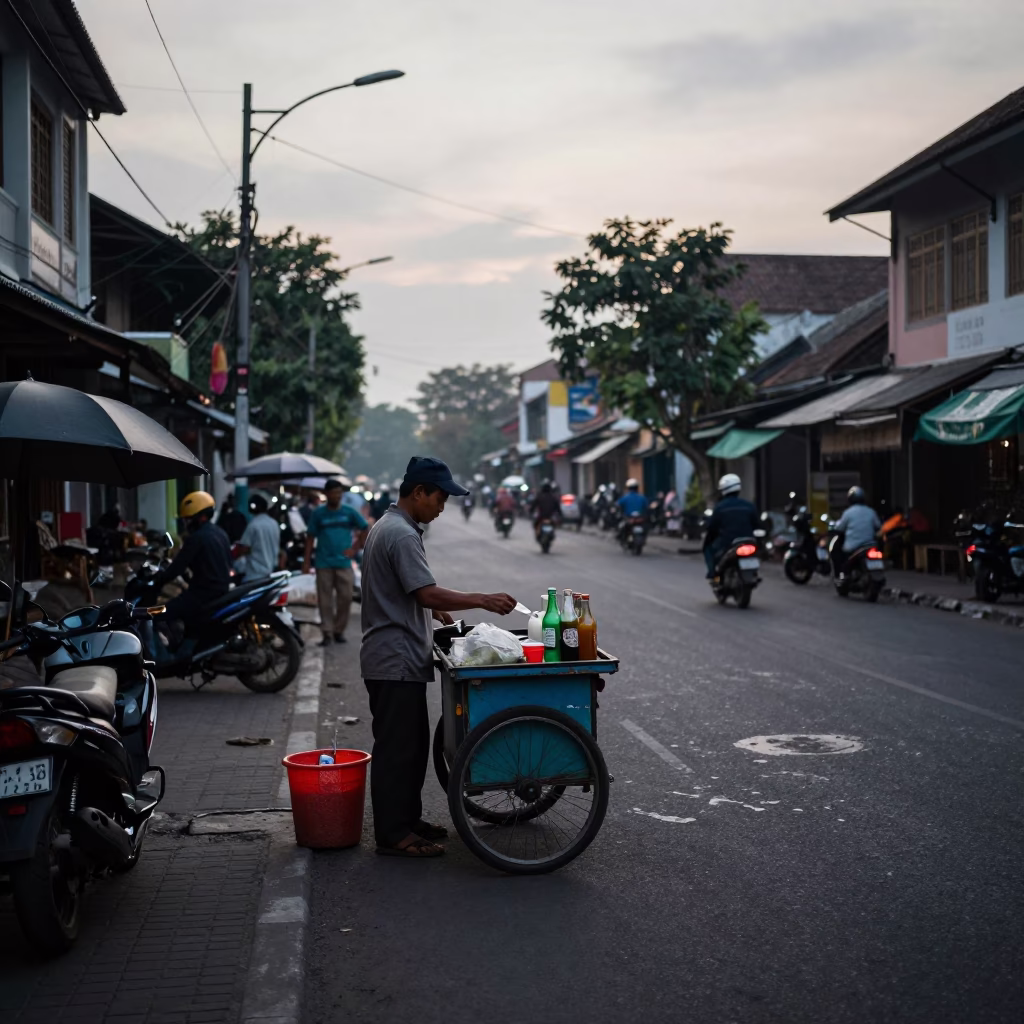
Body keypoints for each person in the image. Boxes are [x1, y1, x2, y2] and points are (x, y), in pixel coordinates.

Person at [360, 456, 516, 858]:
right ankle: (394, 834)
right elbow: (425, 591)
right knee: (397, 750)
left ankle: (407, 820)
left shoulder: (392, 526)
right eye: (440, 498)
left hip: (397, 657)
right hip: (393, 659)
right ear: (418, 493)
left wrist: (429, 608)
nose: (443, 507)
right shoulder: (400, 533)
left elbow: (411, 592)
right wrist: (480, 599)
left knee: (410, 748)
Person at [153, 491, 232, 639]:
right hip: (221, 590)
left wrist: (159, 580)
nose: (186, 524)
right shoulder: (220, 533)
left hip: (203, 594)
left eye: (188, 520)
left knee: (159, 613)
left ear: (200, 517)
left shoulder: (197, 538)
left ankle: (170, 655)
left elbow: (177, 568)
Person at [304, 479, 368, 647]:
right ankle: (327, 632)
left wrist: (355, 549)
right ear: (326, 494)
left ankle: (338, 630)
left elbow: (364, 527)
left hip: (344, 563)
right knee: (324, 601)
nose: (336, 496)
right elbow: (310, 538)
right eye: (333, 493)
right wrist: (306, 562)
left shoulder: (348, 512)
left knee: (345, 598)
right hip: (323, 563)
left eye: (339, 493)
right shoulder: (318, 514)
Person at [702, 473, 760, 579]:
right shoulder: (749, 505)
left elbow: (713, 527)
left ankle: (713, 574)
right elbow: (757, 525)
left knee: (707, 548)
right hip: (748, 540)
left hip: (727, 544)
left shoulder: (720, 508)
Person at [832, 486, 882, 578]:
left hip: (853, 547)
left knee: (840, 557)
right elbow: (878, 526)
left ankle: (844, 576)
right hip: (870, 544)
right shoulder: (871, 511)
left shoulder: (848, 513)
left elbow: (840, 528)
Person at [234, 495, 282, 580]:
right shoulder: (274, 523)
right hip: (271, 572)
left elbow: (244, 548)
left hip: (255, 574)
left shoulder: (253, 525)